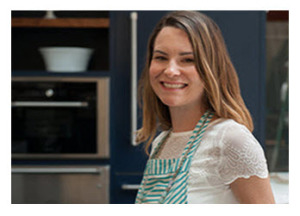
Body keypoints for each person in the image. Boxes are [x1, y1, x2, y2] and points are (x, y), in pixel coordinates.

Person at [134, 11, 275, 204]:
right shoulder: (161, 142)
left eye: (188, 60)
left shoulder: (230, 139)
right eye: (161, 57)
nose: (170, 70)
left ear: (211, 68)